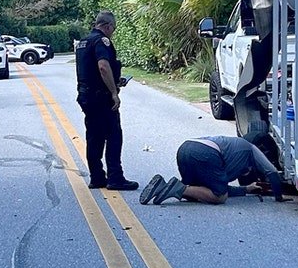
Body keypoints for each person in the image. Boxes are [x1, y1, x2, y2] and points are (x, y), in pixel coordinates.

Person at [75, 10, 137, 191]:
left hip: (86, 95)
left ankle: (97, 177)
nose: (113, 32)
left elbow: (91, 70)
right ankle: (115, 178)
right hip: (101, 97)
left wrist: (117, 80)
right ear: (108, 26)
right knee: (113, 135)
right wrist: (114, 93)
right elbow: (102, 66)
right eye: (113, 29)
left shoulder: (82, 43)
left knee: (94, 136)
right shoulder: (102, 41)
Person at [140, 136, 286, 205]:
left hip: (185, 148)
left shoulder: (233, 148)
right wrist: (279, 197)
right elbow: (271, 172)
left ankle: (163, 187)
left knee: (199, 193)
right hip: (205, 153)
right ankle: (179, 188)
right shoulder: (251, 149)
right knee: (219, 197)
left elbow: (215, 187)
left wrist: (246, 189)